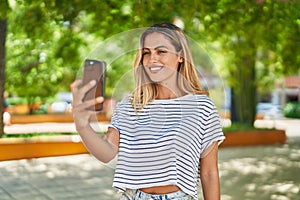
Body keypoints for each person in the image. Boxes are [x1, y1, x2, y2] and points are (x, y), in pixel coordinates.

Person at [71, 23, 225, 200]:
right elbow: (106, 153)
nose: (152, 59)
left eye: (161, 52)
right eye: (146, 53)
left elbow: (209, 173)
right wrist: (82, 125)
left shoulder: (202, 107)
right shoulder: (128, 106)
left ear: (180, 56)